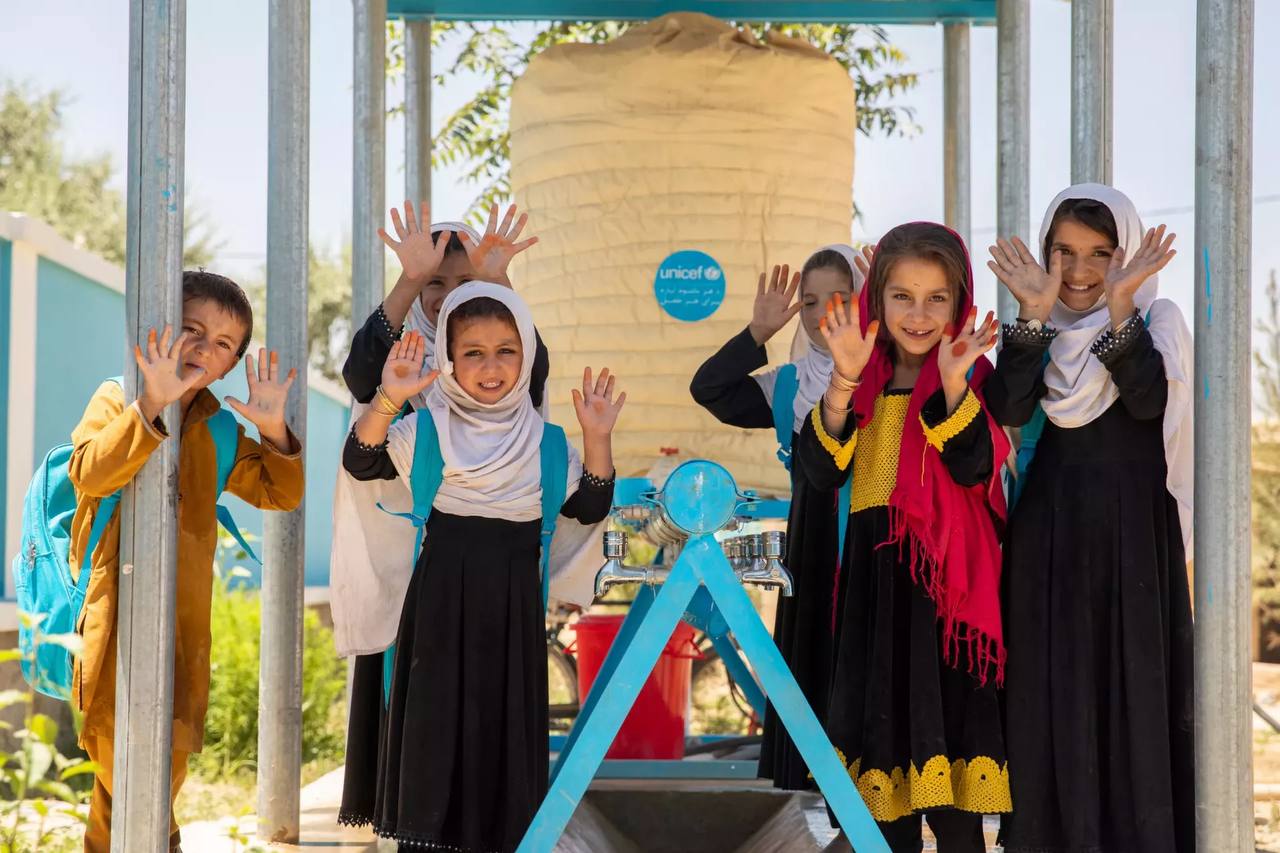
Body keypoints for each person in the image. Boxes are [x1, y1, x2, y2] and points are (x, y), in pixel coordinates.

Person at [342, 283, 623, 852]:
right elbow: (361, 459)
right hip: (439, 609)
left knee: (501, 735)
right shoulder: (425, 429)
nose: (490, 367)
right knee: (434, 731)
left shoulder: (548, 444)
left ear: (527, 359)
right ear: (448, 358)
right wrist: (390, 398)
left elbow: (590, 504)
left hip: (511, 613)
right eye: (473, 352)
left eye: (506, 351)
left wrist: (598, 438)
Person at [985, 184, 1193, 853]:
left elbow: (1148, 403)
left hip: (1135, 546)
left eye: (1100, 254)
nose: (1078, 271)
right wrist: (1030, 315)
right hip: (1049, 544)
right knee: (1054, 697)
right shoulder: (1036, 326)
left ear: (1125, 254)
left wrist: (1121, 307)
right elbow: (1010, 409)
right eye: (1063, 252)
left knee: (1134, 695)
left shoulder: (1157, 321)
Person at [69, 271, 304, 852]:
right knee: (121, 767)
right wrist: (150, 405)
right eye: (192, 329)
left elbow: (279, 492)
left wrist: (273, 430)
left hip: (182, 632)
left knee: (158, 770)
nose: (203, 348)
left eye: (223, 344)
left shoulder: (218, 428)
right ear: (162, 330)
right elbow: (90, 473)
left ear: (230, 366)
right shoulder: (118, 396)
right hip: (115, 623)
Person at [799, 222, 1010, 852]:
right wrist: (842, 381)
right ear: (877, 299)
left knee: (956, 809)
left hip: (946, 607)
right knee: (881, 798)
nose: (918, 315)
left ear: (959, 302)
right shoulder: (859, 377)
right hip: (875, 595)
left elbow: (974, 467)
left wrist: (952, 382)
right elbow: (821, 472)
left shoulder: (973, 374)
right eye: (902, 297)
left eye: (936, 298)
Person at [689, 245, 862, 789]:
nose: (822, 313)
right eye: (809, 302)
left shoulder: (887, 378)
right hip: (813, 547)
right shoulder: (788, 385)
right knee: (816, 672)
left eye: (839, 298)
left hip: (873, 544)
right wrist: (756, 333)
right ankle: (828, 801)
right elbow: (709, 389)